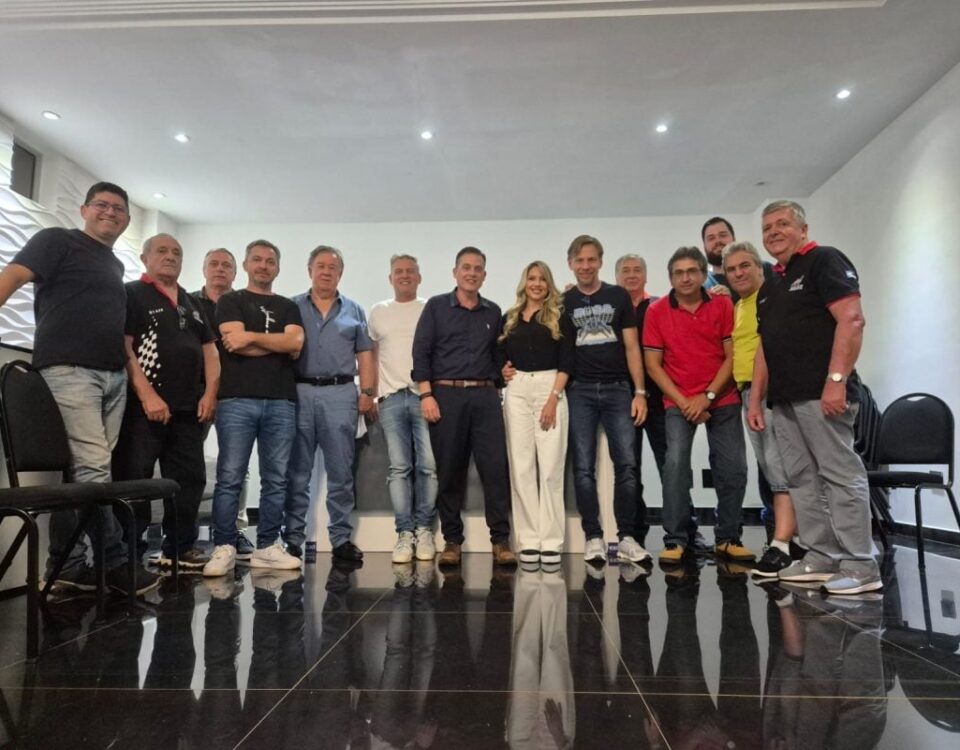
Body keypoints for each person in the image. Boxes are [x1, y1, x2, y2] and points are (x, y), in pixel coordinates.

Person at [0, 181, 158, 595]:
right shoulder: (57, 240)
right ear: (84, 210)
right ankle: (116, 562)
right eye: (101, 205)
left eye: (119, 209)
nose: (110, 212)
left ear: (127, 220)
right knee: (93, 473)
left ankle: (66, 565)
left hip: (112, 377)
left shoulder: (114, 264)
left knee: (80, 476)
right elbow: (12, 276)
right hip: (70, 371)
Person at [750, 200, 880, 595]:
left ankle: (861, 564)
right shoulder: (771, 284)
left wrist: (836, 379)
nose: (774, 232)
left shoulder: (824, 260)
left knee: (840, 475)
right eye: (767, 227)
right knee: (801, 479)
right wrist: (756, 399)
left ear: (803, 229)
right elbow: (765, 346)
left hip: (823, 394)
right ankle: (821, 556)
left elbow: (852, 319)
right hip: (784, 399)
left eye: (783, 224)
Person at [112, 233, 219, 570]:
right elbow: (124, 347)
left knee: (190, 481)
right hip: (143, 410)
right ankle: (129, 555)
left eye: (176, 252)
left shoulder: (192, 302)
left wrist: (210, 393)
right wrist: (147, 395)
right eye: (162, 251)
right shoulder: (131, 293)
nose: (170, 256)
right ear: (145, 258)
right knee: (136, 481)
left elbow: (211, 352)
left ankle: (180, 549)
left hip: (188, 411)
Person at [643, 246, 754, 565]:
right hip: (678, 400)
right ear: (670, 278)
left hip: (722, 397)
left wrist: (707, 397)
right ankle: (676, 539)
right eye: (678, 273)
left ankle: (728, 538)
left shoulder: (722, 304)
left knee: (733, 466)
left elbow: (732, 356)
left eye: (692, 271)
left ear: (704, 274)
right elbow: (653, 366)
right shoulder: (657, 311)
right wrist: (684, 402)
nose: (685, 278)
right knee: (675, 464)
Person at [202, 240, 304, 577]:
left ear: (278, 268)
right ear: (246, 265)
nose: (263, 265)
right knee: (230, 476)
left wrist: (251, 337)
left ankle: (267, 546)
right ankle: (225, 546)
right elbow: (233, 343)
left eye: (270, 261)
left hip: (281, 401)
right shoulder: (230, 301)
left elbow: (295, 342)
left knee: (276, 479)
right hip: (236, 401)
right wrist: (276, 344)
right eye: (257, 260)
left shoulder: (288, 306)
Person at [411, 246, 516, 567]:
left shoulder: (493, 312)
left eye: (477, 268)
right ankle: (452, 541)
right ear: (455, 272)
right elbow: (421, 352)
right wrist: (426, 395)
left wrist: (502, 374)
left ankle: (501, 540)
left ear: (484, 275)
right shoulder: (436, 307)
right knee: (450, 471)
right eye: (466, 267)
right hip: (446, 396)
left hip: (485, 398)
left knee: (495, 469)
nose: (471, 273)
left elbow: (498, 356)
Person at [285, 245, 376, 564]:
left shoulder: (354, 310)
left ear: (340, 273)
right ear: (309, 269)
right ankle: (292, 538)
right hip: (300, 393)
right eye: (320, 266)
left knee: (341, 471)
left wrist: (367, 392)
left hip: (341, 394)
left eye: (332, 267)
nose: (326, 271)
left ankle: (340, 539)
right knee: (297, 472)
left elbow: (365, 353)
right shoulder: (291, 307)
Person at [563, 235, 650, 565]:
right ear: (570, 263)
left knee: (626, 465)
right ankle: (593, 537)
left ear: (600, 261)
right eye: (579, 260)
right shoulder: (565, 301)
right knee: (583, 468)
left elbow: (632, 347)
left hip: (617, 390)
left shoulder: (617, 296)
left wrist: (639, 392)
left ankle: (626, 537)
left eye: (591, 259)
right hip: (579, 391)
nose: (585, 266)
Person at [721, 241, 798, 578]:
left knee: (780, 470)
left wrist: (757, 397)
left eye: (745, 266)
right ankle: (789, 541)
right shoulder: (740, 305)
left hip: (767, 390)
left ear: (759, 266)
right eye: (731, 269)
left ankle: (782, 545)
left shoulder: (772, 298)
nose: (738, 273)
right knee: (770, 467)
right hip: (747, 391)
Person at [498, 261, 573, 570]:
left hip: (550, 388)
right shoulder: (510, 317)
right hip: (517, 391)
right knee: (522, 467)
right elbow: (499, 357)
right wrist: (502, 369)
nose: (537, 284)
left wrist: (553, 398)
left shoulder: (559, 316)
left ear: (549, 283)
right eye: (532, 278)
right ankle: (528, 540)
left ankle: (551, 542)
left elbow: (568, 361)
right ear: (524, 282)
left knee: (551, 468)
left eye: (542, 279)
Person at [368, 254, 438, 564]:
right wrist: (370, 393)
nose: (405, 275)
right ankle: (404, 533)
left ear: (419, 277)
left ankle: (424, 529)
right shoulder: (378, 311)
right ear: (390, 278)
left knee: (429, 466)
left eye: (410, 271)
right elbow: (372, 355)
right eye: (399, 271)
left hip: (424, 396)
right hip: (391, 399)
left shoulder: (430, 308)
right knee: (399, 467)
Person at [191, 248, 256, 556]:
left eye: (226, 265)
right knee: (189, 466)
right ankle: (183, 534)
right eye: (214, 264)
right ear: (204, 269)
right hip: (196, 394)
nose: (220, 269)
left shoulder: (245, 305)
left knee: (236, 467)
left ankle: (234, 532)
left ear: (235, 271)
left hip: (235, 393)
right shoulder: (187, 303)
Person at [614, 253, 667, 547]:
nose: (631, 275)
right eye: (625, 271)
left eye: (637, 270)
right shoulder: (611, 308)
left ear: (645, 275)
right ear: (616, 277)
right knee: (629, 467)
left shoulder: (660, 305)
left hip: (660, 398)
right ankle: (635, 529)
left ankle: (683, 529)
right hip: (623, 399)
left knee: (670, 465)